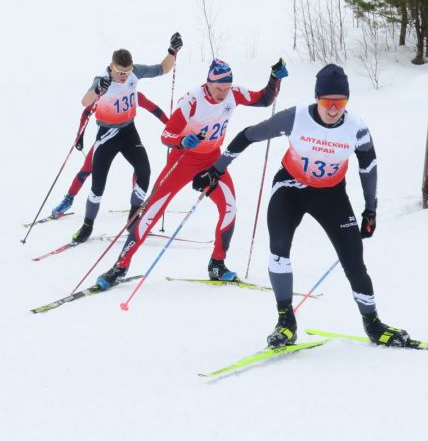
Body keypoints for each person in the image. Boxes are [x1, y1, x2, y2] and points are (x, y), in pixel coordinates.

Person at [206, 64, 408, 348]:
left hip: (331, 195)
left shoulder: (357, 128)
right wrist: (216, 169)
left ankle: (373, 324)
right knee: (279, 249)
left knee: (354, 261)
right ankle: (285, 322)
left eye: (341, 103)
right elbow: (248, 135)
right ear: (317, 99)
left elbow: (369, 167)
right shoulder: (295, 118)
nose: (334, 109)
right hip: (291, 188)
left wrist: (370, 209)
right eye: (328, 102)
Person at [94, 56, 287, 289]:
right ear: (208, 83)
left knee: (230, 208)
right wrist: (184, 140)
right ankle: (120, 266)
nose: (223, 93)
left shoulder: (234, 93)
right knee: (151, 211)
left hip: (212, 161)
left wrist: (274, 79)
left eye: (226, 87)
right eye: (218, 88)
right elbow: (166, 135)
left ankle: (217, 264)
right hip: (183, 160)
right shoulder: (192, 101)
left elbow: (264, 100)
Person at [51, 35, 182, 241]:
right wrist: (97, 90)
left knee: (144, 171)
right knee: (97, 185)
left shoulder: (134, 72)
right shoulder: (102, 80)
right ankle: (87, 226)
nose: (124, 77)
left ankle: (133, 216)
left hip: (129, 132)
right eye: (120, 72)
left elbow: (162, 69)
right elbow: (85, 102)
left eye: (127, 72)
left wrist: (172, 52)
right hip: (107, 136)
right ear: (111, 67)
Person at [57, 93, 169, 217]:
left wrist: (169, 125)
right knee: (87, 168)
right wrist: (80, 135)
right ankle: (68, 199)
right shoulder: (105, 96)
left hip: (128, 139)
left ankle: (137, 203)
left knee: (140, 167)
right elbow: (86, 112)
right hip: (106, 139)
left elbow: (153, 108)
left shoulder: (133, 94)